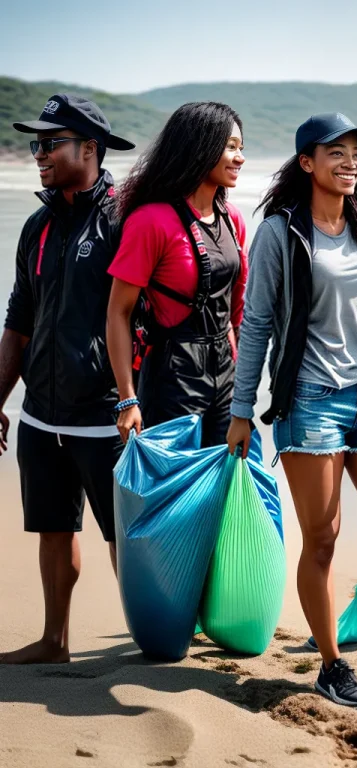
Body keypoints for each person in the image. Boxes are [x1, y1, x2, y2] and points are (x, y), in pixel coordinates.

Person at [227, 113, 357, 710]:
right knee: (323, 538)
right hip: (310, 401)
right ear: (307, 162)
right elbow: (256, 323)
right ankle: (332, 663)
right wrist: (241, 409)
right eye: (337, 152)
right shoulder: (281, 232)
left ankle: (356, 602)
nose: (351, 162)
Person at [0, 94, 135, 664]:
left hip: (103, 416)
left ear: (91, 149)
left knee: (122, 539)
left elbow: (139, 317)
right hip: (40, 414)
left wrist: (134, 399)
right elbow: (19, 321)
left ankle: (147, 642)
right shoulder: (37, 225)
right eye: (37, 143)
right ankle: (54, 640)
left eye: (50, 143)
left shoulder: (124, 220)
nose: (39, 154)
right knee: (54, 530)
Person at [107, 102, 247, 447]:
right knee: (175, 493)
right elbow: (117, 313)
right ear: (200, 147)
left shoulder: (232, 218)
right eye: (230, 147)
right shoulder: (151, 221)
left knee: (224, 489)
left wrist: (244, 386)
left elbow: (238, 310)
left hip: (226, 373)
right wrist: (128, 399)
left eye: (241, 148)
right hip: (172, 373)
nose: (240, 158)